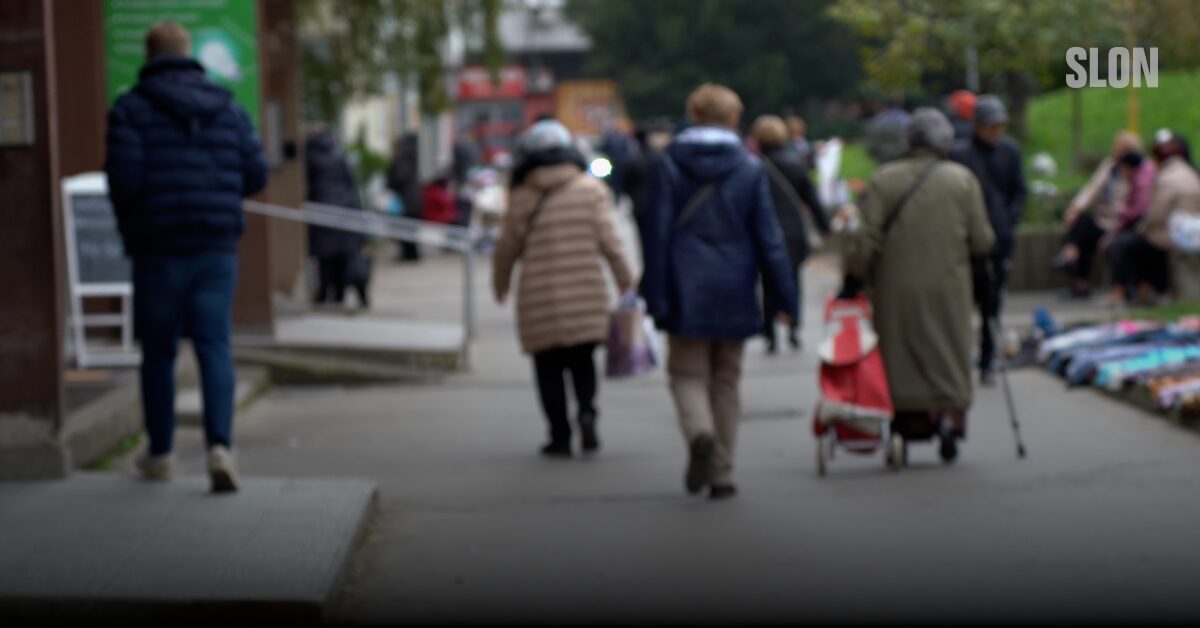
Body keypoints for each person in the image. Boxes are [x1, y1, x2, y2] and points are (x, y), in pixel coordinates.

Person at [105, 21, 267, 492]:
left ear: (149, 54)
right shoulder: (228, 107)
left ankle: (161, 454)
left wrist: (139, 218)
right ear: (188, 52)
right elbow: (256, 173)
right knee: (214, 343)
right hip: (215, 246)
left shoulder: (130, 109)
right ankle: (220, 446)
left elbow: (124, 179)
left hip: (157, 249)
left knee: (158, 352)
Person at [641, 84, 797, 500]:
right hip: (734, 286)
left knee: (687, 374)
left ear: (693, 116)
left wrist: (655, 294)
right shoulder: (749, 168)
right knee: (726, 381)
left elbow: (656, 234)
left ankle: (700, 433)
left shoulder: (669, 164)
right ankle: (722, 473)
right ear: (734, 120)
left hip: (683, 286)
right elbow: (770, 240)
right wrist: (785, 298)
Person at [845, 108, 995, 459]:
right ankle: (948, 418)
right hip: (950, 286)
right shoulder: (962, 180)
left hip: (895, 288)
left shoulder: (884, 179)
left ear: (908, 141)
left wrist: (853, 278)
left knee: (900, 351)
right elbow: (982, 240)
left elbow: (866, 239)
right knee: (948, 349)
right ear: (945, 143)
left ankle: (904, 422)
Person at [492, 120, 635, 458]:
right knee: (583, 360)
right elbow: (611, 243)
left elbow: (506, 247)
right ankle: (587, 411)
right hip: (586, 289)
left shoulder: (522, 194)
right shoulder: (591, 189)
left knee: (547, 366)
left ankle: (559, 436)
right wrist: (625, 280)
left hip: (538, 293)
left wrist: (500, 283)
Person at [949, 95, 1027, 386]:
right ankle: (958, 361)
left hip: (1000, 239)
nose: (996, 132)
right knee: (960, 302)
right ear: (978, 126)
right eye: (991, 126)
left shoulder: (1010, 151)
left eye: (999, 126)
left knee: (992, 305)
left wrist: (1008, 219)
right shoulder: (960, 154)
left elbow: (1019, 191)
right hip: (967, 242)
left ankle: (987, 360)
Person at [751, 114, 831, 353]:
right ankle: (794, 327)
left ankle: (770, 333)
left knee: (768, 282)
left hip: (764, 232)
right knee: (793, 279)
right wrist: (825, 227)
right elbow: (812, 199)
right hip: (793, 231)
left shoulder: (753, 166)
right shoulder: (796, 163)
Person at [1108, 131, 1200, 304]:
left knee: (1125, 244)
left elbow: (1155, 215)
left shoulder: (1166, 178)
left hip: (1176, 234)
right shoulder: (1190, 172)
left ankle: (1139, 288)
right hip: (1191, 230)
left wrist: (1141, 229)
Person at [1053, 131, 1146, 298]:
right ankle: (1072, 260)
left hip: (1121, 222)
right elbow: (1093, 188)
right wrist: (1075, 208)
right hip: (1103, 219)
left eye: (1119, 148)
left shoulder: (1136, 170)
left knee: (1086, 231)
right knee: (1082, 223)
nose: (1114, 150)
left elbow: (1133, 203)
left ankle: (1070, 258)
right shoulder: (1109, 166)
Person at [306, 127, 367, 306]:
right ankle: (340, 293)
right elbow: (351, 184)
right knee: (343, 256)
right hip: (344, 210)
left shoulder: (310, 157)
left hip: (322, 210)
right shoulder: (340, 155)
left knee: (325, 257)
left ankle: (324, 292)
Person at [387, 133, 422, 262]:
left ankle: (409, 255)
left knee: (405, 229)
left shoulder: (403, 158)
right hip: (413, 198)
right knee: (411, 229)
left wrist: (390, 182)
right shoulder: (413, 156)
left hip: (406, 200)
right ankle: (412, 254)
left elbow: (399, 177)